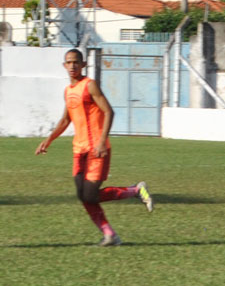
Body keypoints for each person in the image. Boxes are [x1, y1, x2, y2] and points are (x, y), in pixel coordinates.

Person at [34, 48, 153, 246]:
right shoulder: (68, 91)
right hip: (78, 150)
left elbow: (109, 112)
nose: (72, 66)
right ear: (64, 66)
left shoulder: (90, 86)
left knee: (90, 194)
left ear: (83, 65)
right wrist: (49, 140)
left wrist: (101, 141)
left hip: (96, 149)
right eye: (69, 63)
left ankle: (136, 191)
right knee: (83, 195)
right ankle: (109, 235)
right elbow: (65, 120)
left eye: (76, 62)